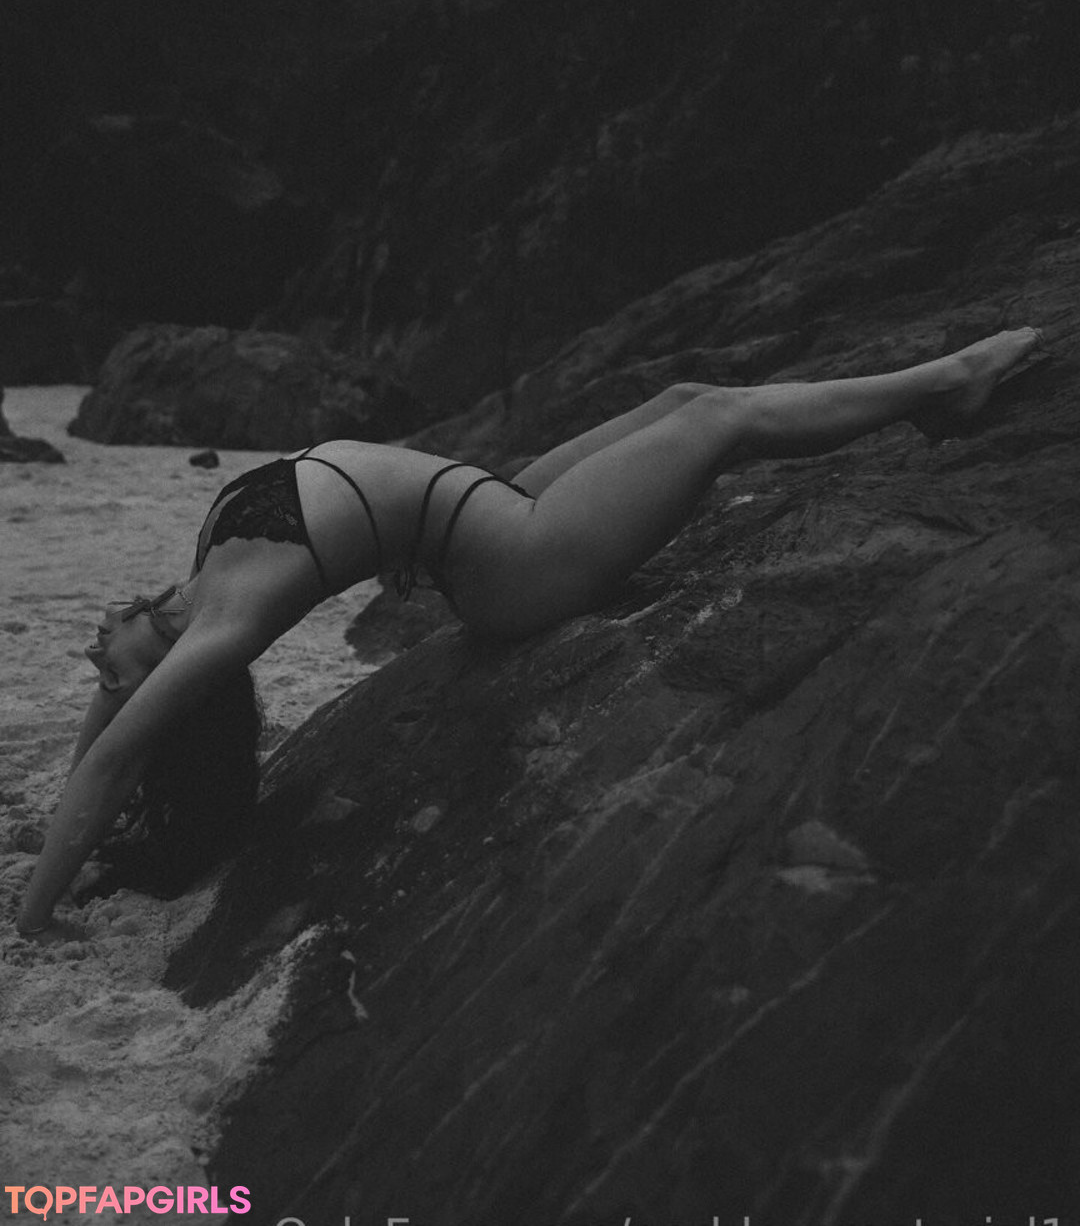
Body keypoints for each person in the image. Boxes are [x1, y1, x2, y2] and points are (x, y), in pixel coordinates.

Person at [15, 327, 1046, 937]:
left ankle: (935, 393)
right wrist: (33, 917)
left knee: (681, 396)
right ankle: (944, 386)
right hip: (517, 563)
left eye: (101, 663)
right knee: (717, 423)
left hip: (489, 505)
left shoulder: (194, 587)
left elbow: (105, 744)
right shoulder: (221, 626)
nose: (96, 653)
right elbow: (116, 755)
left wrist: (56, 823)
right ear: (169, 690)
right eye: (114, 675)